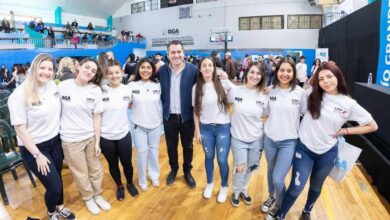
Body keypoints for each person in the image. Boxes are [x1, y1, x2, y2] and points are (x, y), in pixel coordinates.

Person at [278, 62, 378, 220]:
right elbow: (297, 99)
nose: (326, 81)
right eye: (321, 78)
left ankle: (307, 211)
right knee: (296, 187)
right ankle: (281, 215)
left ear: (338, 76)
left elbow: (372, 125)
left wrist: (345, 130)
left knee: (316, 186)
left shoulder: (349, 103)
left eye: (329, 76)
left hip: (327, 153)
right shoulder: (312, 93)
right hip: (304, 149)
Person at [8, 53, 76, 220]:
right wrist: (37, 155)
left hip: (55, 142)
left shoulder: (52, 86)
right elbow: (20, 130)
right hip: (34, 147)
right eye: (42, 67)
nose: (46, 72)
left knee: (58, 178)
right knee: (53, 186)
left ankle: (60, 207)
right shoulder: (19, 94)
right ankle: (51, 212)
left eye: (50, 68)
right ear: (34, 68)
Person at [58, 58, 111, 215]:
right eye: (86, 67)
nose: (89, 71)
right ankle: (88, 198)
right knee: (80, 172)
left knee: (96, 169)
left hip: (90, 137)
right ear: (78, 67)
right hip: (70, 140)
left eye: (93, 71)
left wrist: (97, 142)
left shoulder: (95, 90)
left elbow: (97, 117)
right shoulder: (62, 87)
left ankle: (98, 195)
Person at [261, 58, 307, 220]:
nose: (285, 74)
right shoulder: (271, 90)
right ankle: (272, 196)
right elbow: (265, 113)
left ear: (294, 73)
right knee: (270, 171)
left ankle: (279, 206)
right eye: (282, 70)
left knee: (277, 179)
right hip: (270, 140)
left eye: (289, 71)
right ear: (277, 71)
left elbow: (308, 115)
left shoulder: (300, 93)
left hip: (289, 142)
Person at [157, 40, 197, 188]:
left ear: (183, 53)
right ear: (168, 55)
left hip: (187, 117)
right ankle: (174, 169)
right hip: (169, 117)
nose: (176, 55)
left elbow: (205, 83)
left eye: (179, 52)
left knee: (188, 146)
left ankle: (187, 171)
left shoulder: (193, 70)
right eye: (173, 52)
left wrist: (220, 73)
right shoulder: (161, 71)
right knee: (171, 147)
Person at [228, 64, 268, 207]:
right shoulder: (235, 91)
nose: (255, 76)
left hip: (256, 138)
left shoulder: (264, 95)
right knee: (240, 167)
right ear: (246, 73)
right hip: (238, 138)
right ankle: (236, 191)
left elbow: (267, 114)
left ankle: (243, 189)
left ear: (262, 76)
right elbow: (225, 104)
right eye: (252, 72)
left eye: (258, 73)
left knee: (250, 167)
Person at [100, 60, 139, 200]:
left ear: (122, 73)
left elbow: (132, 105)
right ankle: (119, 186)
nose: (114, 75)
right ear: (106, 75)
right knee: (113, 164)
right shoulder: (100, 91)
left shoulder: (127, 90)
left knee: (127, 163)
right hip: (105, 137)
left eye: (117, 72)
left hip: (123, 134)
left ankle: (129, 183)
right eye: (110, 73)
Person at [193, 57, 230, 203]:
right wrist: (197, 130)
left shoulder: (224, 84)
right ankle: (209, 183)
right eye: (204, 65)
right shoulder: (196, 88)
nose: (207, 68)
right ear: (200, 69)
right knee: (208, 158)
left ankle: (225, 185)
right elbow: (196, 111)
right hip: (206, 129)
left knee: (222, 160)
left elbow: (243, 92)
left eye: (210, 65)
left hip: (223, 128)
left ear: (214, 68)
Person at [128, 58, 162, 191]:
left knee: (153, 152)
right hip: (138, 125)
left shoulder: (158, 85)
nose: (145, 70)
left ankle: (154, 175)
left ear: (153, 70)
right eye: (143, 67)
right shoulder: (132, 86)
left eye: (148, 67)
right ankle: (142, 179)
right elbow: (127, 103)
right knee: (141, 153)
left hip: (155, 124)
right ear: (138, 69)